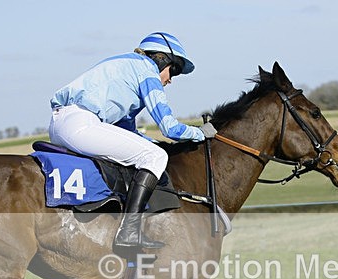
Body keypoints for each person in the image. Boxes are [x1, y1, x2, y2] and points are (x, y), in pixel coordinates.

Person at [49, 32, 216, 249]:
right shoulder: (147, 71)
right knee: (155, 157)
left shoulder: (127, 68)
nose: (171, 79)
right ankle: (128, 231)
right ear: (161, 59)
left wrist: (151, 142)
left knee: (149, 152)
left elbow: (127, 131)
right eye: (173, 69)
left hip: (64, 123)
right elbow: (169, 127)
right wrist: (201, 133)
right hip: (80, 124)